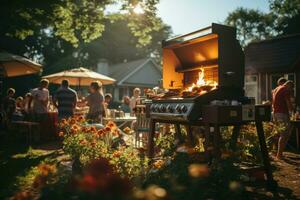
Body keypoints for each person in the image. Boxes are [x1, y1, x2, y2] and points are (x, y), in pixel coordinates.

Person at [272, 80, 294, 159]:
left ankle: (276, 152)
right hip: (282, 113)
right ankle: (279, 155)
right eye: (291, 89)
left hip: (275, 113)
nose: (291, 91)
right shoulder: (285, 90)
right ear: (289, 86)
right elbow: (288, 102)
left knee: (278, 133)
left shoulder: (277, 88)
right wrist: (293, 110)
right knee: (284, 134)